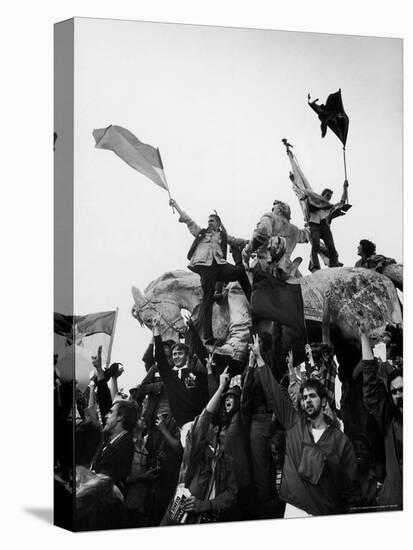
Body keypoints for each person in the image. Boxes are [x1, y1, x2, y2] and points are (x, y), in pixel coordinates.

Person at [249, 334, 358, 517]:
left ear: (323, 401)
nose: (307, 400)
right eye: (305, 397)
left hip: (325, 513)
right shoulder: (293, 423)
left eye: (312, 396)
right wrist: (259, 357)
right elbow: (274, 392)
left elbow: (350, 484)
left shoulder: (340, 440)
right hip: (294, 509)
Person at [169, 197, 251, 345]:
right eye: (208, 221)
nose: (209, 223)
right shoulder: (201, 233)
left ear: (218, 223)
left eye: (212, 221)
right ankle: (208, 336)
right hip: (206, 268)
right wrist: (177, 206)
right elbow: (189, 221)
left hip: (220, 265)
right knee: (207, 301)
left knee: (239, 272)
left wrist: (250, 242)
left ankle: (253, 302)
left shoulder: (223, 236)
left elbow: (236, 241)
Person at [162, 367, 238, 525]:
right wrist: (220, 389)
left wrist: (207, 505)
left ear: (215, 429)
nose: (200, 428)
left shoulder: (227, 461)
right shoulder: (195, 452)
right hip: (180, 520)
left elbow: (231, 494)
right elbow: (203, 421)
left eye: (207, 426)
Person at [359, 321, 403, 510]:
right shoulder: (390, 423)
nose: (399, 395)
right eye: (394, 392)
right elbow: (371, 388)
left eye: (402, 390)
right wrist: (363, 336)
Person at [152, 313, 209, 426]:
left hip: (198, 423)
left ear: (187, 355)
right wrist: (156, 330)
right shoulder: (169, 376)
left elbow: (203, 355)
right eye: (174, 354)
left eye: (180, 353)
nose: (176, 356)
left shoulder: (196, 374)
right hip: (180, 426)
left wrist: (192, 329)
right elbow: (160, 357)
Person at [242, 200, 309, 280]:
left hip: (264, 267)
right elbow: (307, 234)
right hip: (286, 271)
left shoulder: (271, 217)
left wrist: (246, 253)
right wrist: (311, 221)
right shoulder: (296, 231)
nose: (272, 210)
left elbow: (261, 234)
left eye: (273, 208)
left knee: (236, 287)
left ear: (279, 210)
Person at [300, 181, 348, 271]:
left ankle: (334, 267)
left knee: (332, 248)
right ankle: (315, 265)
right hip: (315, 225)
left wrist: (344, 188)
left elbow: (342, 202)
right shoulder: (314, 202)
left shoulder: (330, 207)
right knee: (316, 245)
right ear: (322, 195)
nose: (329, 197)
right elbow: (303, 193)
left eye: (330, 196)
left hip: (325, 227)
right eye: (327, 195)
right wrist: (294, 180)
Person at [92, 399, 137, 491]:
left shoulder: (125, 445)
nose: (106, 416)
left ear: (120, 417)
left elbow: (106, 478)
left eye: (111, 412)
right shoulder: (109, 440)